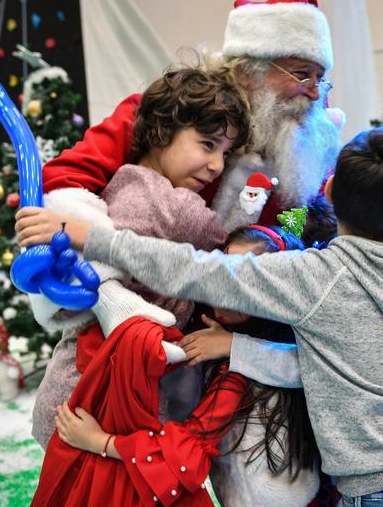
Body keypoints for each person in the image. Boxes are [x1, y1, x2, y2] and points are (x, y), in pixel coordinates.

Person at [17, 126, 383, 506]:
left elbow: (196, 270)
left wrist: (91, 237)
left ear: (330, 190)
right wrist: (236, 346)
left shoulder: (316, 277)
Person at [30, 65, 257, 449]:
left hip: (75, 386)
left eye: (226, 152)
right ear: (162, 131)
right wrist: (268, 204)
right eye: (207, 144)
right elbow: (232, 243)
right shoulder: (176, 205)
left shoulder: (125, 181)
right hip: (109, 396)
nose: (218, 165)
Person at [47, 225, 323, 507]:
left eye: (250, 280)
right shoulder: (213, 343)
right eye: (224, 272)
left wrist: (99, 442)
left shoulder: (265, 363)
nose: (228, 290)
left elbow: (186, 451)